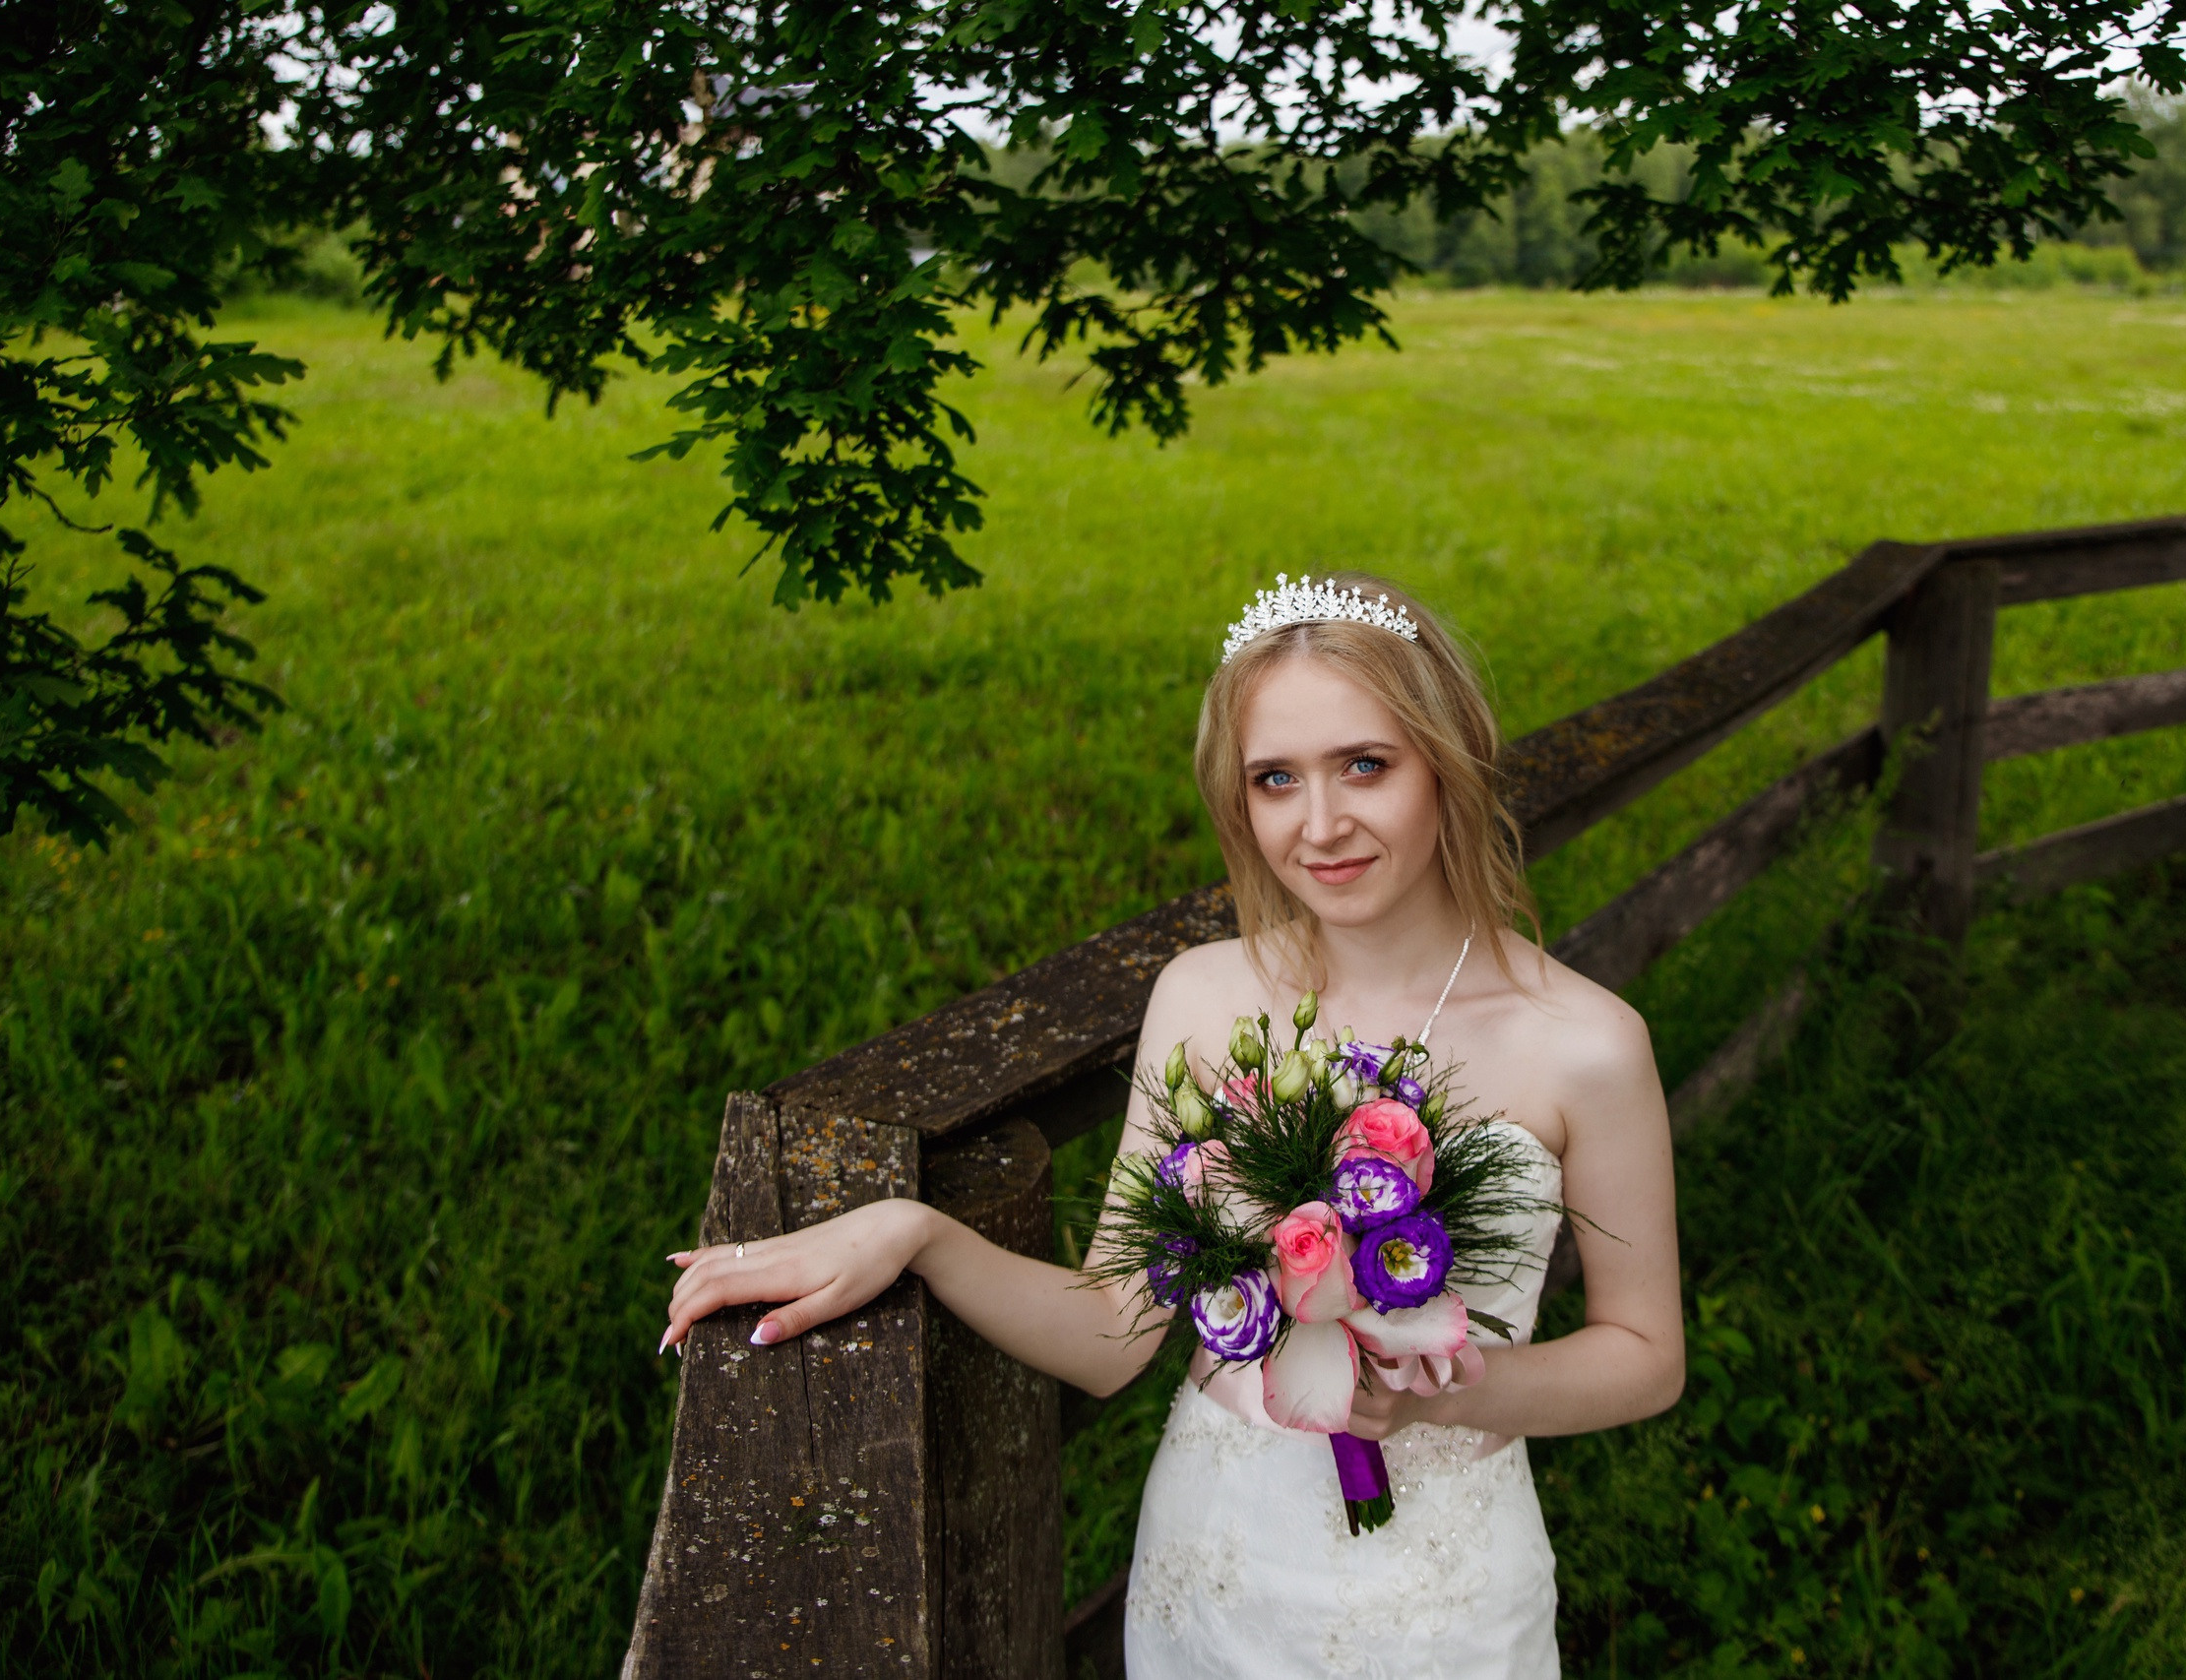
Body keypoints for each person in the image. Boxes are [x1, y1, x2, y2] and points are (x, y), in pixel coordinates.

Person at [658, 574, 1686, 1679]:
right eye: (1275, 779)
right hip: (1217, 1559)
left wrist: (1455, 1389)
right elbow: (1113, 1333)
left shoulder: (1585, 1042)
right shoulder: (1206, 998)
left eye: (1366, 766)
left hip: (1437, 1602)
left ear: (1449, 758)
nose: (1321, 823)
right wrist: (914, 1232)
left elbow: (1645, 1357)